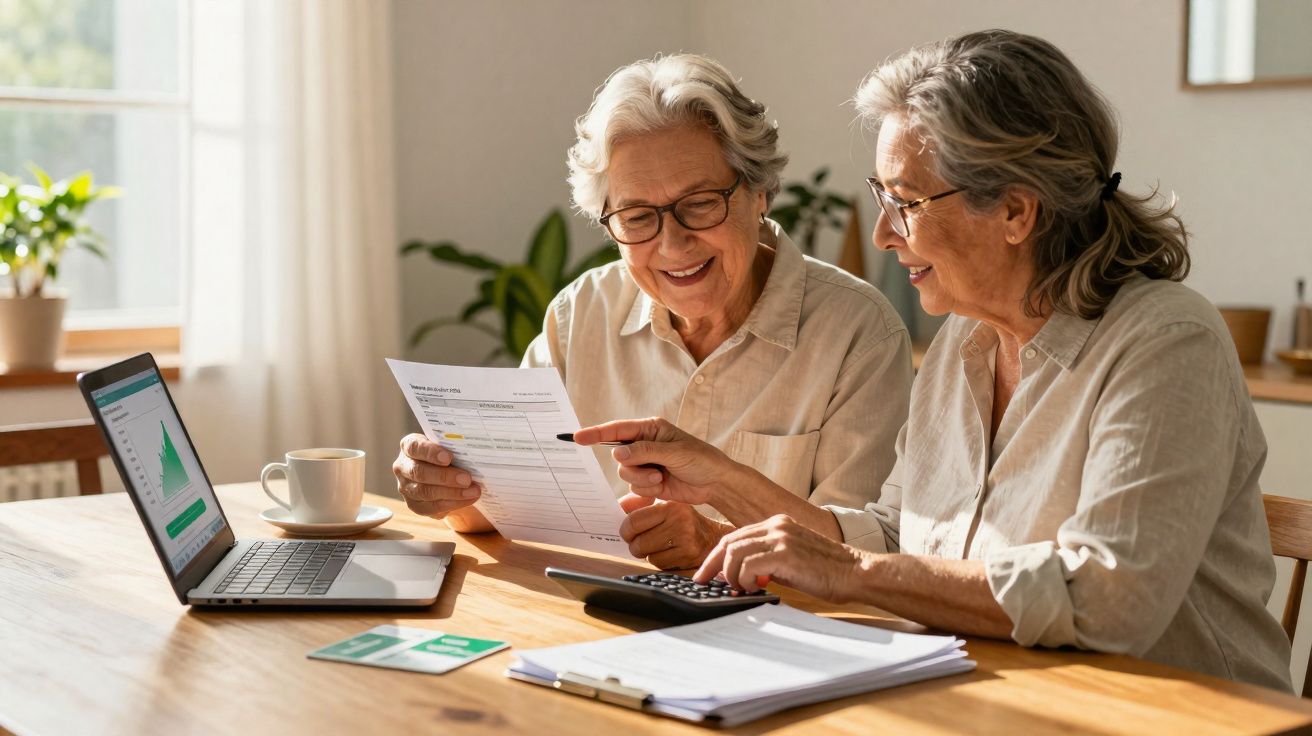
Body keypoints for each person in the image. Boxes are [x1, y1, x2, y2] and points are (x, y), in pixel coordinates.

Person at [574, 31, 1292, 690]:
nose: (885, 234)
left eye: (906, 201)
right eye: (880, 196)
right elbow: (897, 538)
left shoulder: (1166, 342)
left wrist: (853, 572)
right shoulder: (963, 345)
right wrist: (727, 481)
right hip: (982, 703)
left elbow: (1108, 598)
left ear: (1017, 211)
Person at [392, 53, 913, 569]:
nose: (673, 244)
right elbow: (498, 510)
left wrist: (716, 539)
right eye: (637, 216)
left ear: (760, 192)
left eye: (702, 202)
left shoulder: (858, 332)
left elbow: (864, 561)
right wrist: (446, 487)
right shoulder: (580, 315)